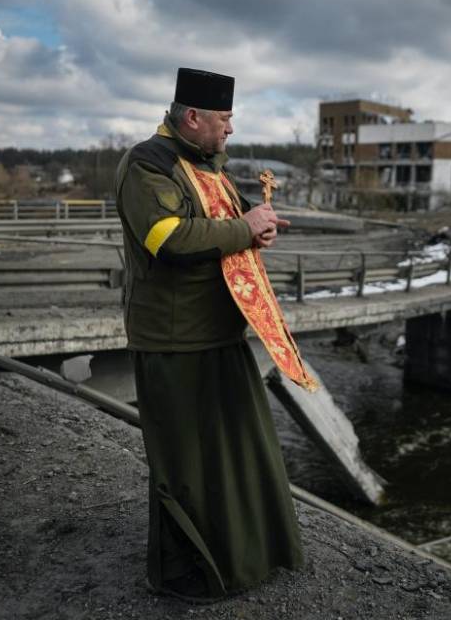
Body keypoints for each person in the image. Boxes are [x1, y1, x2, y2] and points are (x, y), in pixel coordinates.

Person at [114, 67, 304, 603]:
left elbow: (225, 222)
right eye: (224, 119)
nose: (231, 130)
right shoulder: (146, 165)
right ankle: (190, 575)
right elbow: (169, 238)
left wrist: (256, 223)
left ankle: (245, 559)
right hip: (174, 341)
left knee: (237, 453)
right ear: (192, 117)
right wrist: (245, 228)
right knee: (189, 467)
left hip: (220, 333)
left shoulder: (209, 167)